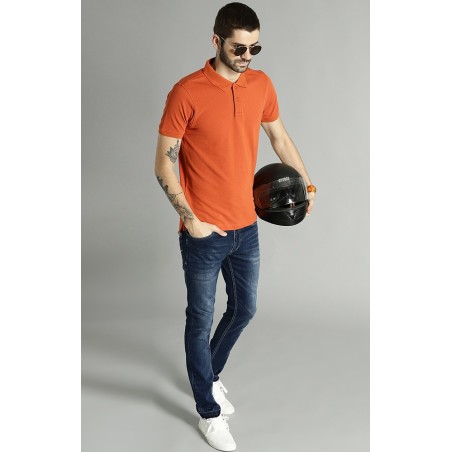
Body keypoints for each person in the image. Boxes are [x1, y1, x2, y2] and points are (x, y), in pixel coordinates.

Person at [154, 3, 316, 450]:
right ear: (217, 41)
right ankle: (208, 411)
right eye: (239, 48)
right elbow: (164, 164)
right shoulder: (186, 92)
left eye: (255, 48)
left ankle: (208, 375)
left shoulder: (261, 84)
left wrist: (306, 185)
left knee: (244, 309)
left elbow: (279, 137)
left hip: (247, 225)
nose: (247, 56)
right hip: (204, 233)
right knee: (200, 318)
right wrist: (191, 221)